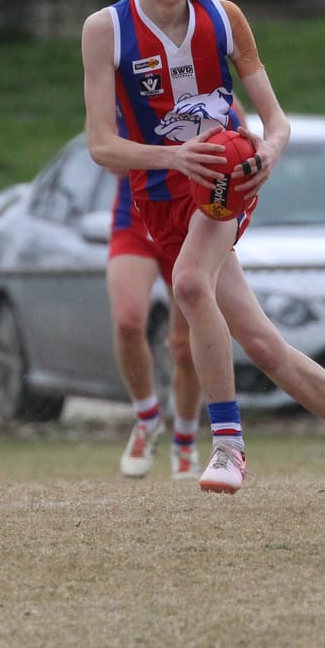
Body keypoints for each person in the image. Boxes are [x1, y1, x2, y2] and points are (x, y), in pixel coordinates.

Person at [80, 0, 325, 502]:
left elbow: (276, 121)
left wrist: (268, 154)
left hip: (224, 185)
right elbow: (102, 145)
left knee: (188, 285)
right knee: (262, 344)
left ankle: (228, 445)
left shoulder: (224, 18)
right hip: (160, 194)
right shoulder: (106, 30)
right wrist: (173, 157)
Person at [107, 174, 203, 479]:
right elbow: (107, 155)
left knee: (186, 348)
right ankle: (147, 418)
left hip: (188, 223)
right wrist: (170, 156)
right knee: (127, 321)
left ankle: (185, 441)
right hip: (135, 222)